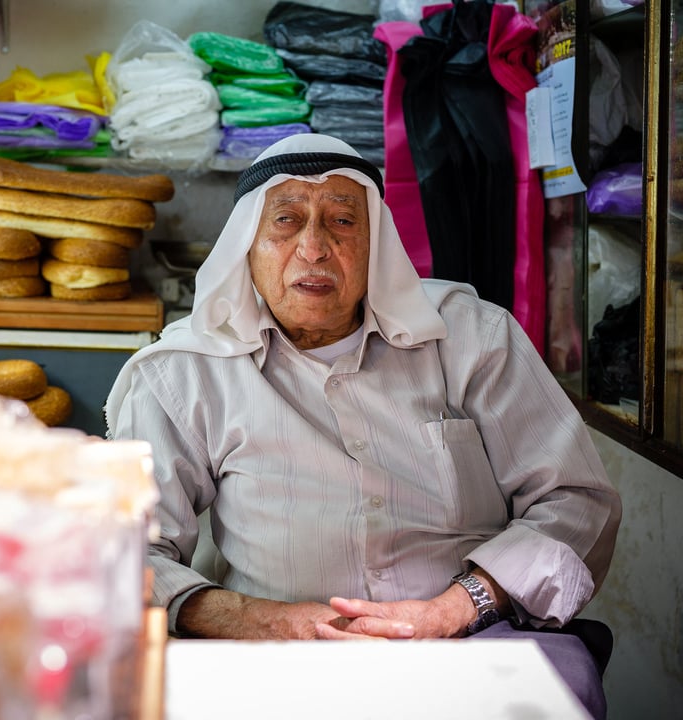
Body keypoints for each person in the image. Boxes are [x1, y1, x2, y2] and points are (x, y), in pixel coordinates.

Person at [105, 133, 622, 718]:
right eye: (287, 221)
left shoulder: (473, 337)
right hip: (273, 658)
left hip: (470, 642)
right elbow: (126, 555)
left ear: (377, 243)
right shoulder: (183, 375)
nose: (314, 248)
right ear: (247, 244)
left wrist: (453, 609)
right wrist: (267, 622)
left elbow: (575, 503)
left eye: (343, 221)